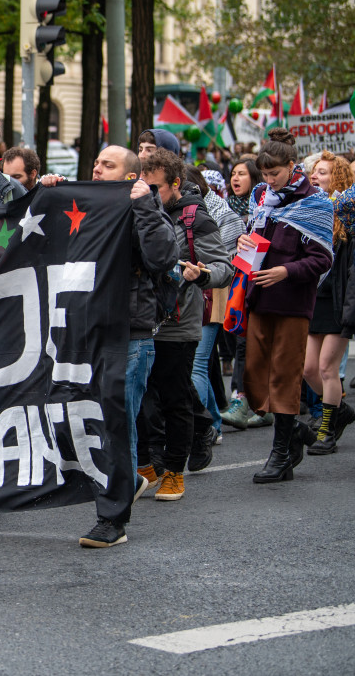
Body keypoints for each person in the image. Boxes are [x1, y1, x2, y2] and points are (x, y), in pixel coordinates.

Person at [42, 146, 179, 547]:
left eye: (108, 165)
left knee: (117, 426)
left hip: (128, 335)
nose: (97, 169)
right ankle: (126, 480)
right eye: (96, 162)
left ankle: (112, 520)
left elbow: (162, 257)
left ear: (129, 177)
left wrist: (144, 207)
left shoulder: (142, 205)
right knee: (79, 418)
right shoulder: (80, 205)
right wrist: (45, 193)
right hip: (81, 333)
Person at [136, 149, 234, 501]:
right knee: (141, 394)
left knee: (175, 395)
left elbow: (225, 267)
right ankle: (146, 464)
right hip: (141, 319)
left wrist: (203, 273)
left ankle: (175, 470)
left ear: (176, 184)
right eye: (142, 186)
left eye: (156, 188)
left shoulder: (195, 218)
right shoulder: (137, 209)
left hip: (178, 319)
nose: (148, 194)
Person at [239, 129, 334, 483]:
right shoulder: (263, 197)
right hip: (259, 297)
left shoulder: (315, 202)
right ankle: (296, 433)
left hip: (293, 302)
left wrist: (285, 271)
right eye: (263, 175)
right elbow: (254, 239)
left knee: (283, 376)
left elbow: (322, 259)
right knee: (254, 377)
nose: (268, 181)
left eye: (274, 173)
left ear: (292, 166)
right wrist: (244, 242)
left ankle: (281, 456)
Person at [183, 166, 243, 448]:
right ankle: (214, 420)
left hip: (213, 295)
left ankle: (205, 425)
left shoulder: (220, 213)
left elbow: (227, 262)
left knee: (197, 364)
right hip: (190, 295)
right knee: (200, 365)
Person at [302, 152, 355, 454]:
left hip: (339, 300)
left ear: (336, 178)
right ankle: (341, 410)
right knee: (308, 369)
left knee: (326, 368)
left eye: (322, 173)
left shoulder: (347, 215)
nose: (315, 176)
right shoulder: (314, 210)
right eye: (314, 172)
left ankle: (327, 427)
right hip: (315, 299)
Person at [220, 157, 263, 429]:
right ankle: (258, 403)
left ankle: (244, 399)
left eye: (242, 174)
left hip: (255, 282)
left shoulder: (262, 208)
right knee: (238, 342)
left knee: (248, 345)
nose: (236, 179)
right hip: (233, 283)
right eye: (233, 174)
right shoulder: (226, 208)